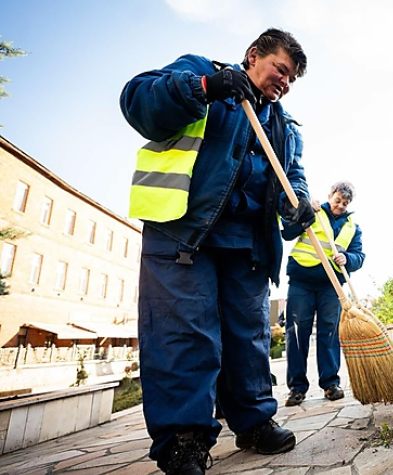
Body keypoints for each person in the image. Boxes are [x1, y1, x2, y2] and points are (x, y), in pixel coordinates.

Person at [120, 28, 316, 475]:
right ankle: (184, 440)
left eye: (290, 80)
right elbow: (138, 101)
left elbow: (294, 176)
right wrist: (206, 89)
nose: (283, 83)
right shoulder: (202, 74)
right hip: (186, 233)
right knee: (185, 334)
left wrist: (297, 204)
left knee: (249, 337)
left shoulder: (284, 128)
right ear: (253, 56)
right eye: (280, 70)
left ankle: (253, 421)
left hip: (247, 245)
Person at [281, 181, 365, 406]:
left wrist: (348, 259)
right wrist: (304, 211)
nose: (340, 206)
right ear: (330, 196)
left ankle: (330, 384)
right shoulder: (313, 210)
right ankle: (297, 388)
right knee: (297, 334)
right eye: (337, 200)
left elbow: (359, 256)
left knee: (329, 334)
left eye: (345, 203)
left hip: (331, 287)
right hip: (302, 282)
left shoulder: (352, 227)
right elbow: (287, 232)